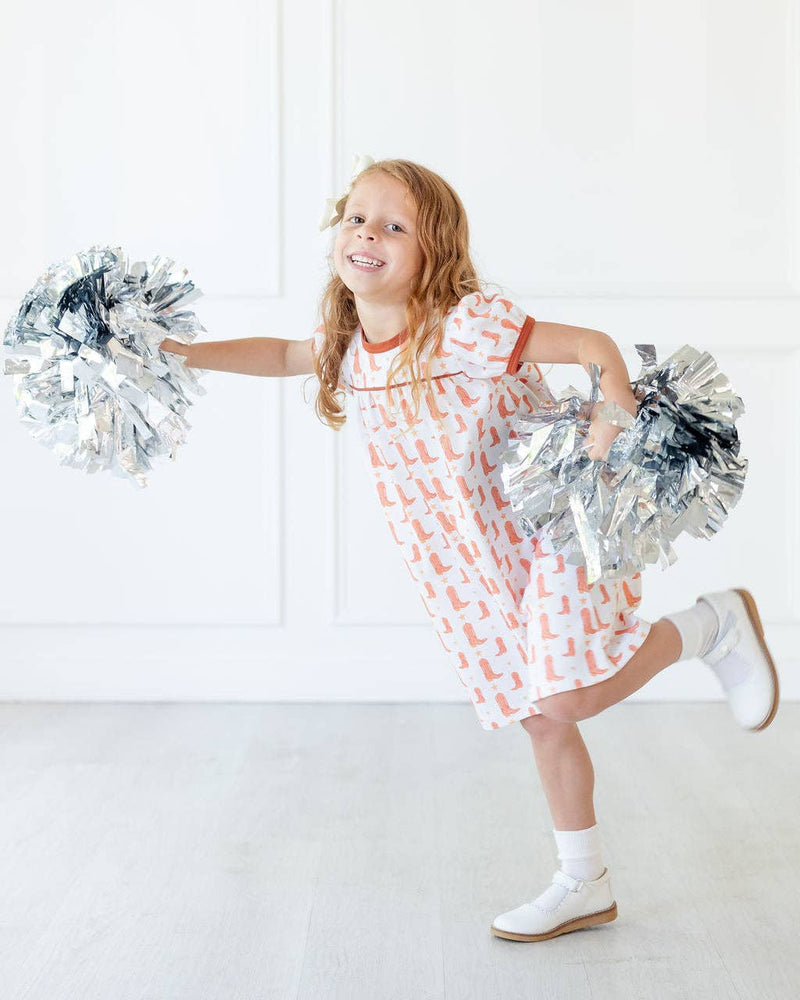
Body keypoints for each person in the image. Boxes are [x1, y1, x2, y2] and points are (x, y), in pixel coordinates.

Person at [159, 156, 779, 943]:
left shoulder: (466, 326)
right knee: (541, 719)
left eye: (394, 226)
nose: (368, 235)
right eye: (357, 218)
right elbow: (283, 354)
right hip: (467, 568)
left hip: (547, 531)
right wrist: (185, 352)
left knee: (564, 697)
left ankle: (711, 626)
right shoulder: (348, 345)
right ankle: (583, 881)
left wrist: (610, 416)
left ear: (433, 252)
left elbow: (592, 344)